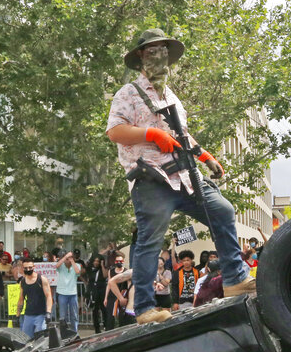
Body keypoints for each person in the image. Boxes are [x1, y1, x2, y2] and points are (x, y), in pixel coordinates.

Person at [106, 28, 256, 325]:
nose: (159, 56)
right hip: (152, 179)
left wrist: (206, 156)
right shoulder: (128, 93)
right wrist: (150, 134)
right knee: (150, 241)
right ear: (140, 57)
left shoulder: (172, 96)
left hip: (186, 176)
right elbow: (115, 132)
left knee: (224, 210)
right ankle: (146, 308)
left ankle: (236, 279)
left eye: (163, 50)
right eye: (152, 51)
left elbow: (182, 135)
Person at [16, 260, 52, 337]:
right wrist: (17, 314)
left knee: (40, 338)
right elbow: (21, 299)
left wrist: (48, 312)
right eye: (26, 268)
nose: (28, 270)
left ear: (34, 267)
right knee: (26, 338)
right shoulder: (22, 282)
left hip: (41, 315)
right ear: (23, 268)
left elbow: (49, 296)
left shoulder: (42, 279)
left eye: (30, 267)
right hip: (28, 315)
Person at [55, 251, 82, 333]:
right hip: (62, 293)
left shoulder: (76, 265)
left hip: (72, 294)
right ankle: (64, 332)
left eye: (69, 258)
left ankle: (75, 331)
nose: (68, 260)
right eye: (66, 259)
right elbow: (56, 266)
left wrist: (72, 261)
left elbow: (78, 272)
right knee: (63, 315)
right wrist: (65, 257)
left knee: (74, 314)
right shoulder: (61, 266)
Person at [103, 253, 133, 328]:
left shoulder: (127, 272)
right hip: (112, 295)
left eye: (120, 261)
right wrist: (105, 297)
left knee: (121, 316)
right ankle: (109, 330)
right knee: (110, 315)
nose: (119, 263)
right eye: (117, 261)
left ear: (123, 261)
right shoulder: (111, 271)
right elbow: (109, 284)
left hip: (122, 294)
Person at [86, 256, 107, 333]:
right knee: (95, 310)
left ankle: (106, 326)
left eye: (98, 261)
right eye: (95, 261)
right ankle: (97, 328)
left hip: (101, 291)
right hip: (93, 291)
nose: (96, 263)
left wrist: (102, 265)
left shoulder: (102, 269)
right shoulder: (90, 270)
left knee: (104, 309)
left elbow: (105, 275)